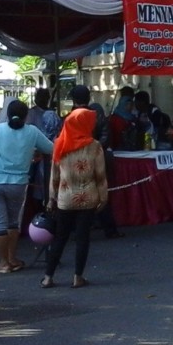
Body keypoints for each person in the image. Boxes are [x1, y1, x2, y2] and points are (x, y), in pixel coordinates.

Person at [0, 99, 54, 274]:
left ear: (7, 114)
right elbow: (51, 149)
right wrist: (34, 151)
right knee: (13, 222)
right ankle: (13, 258)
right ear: (26, 116)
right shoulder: (32, 132)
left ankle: (3, 263)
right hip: (18, 183)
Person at [41, 108, 107, 289]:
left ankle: (48, 277)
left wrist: (51, 198)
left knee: (60, 237)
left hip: (65, 198)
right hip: (89, 197)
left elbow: (54, 176)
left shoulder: (59, 143)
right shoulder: (94, 146)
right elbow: (100, 175)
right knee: (82, 238)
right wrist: (104, 197)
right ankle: (78, 277)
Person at [69, 84, 122, 239]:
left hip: (75, 160)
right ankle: (109, 229)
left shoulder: (69, 119)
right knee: (100, 194)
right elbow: (105, 139)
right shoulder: (98, 116)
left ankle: (77, 230)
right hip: (96, 159)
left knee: (76, 195)